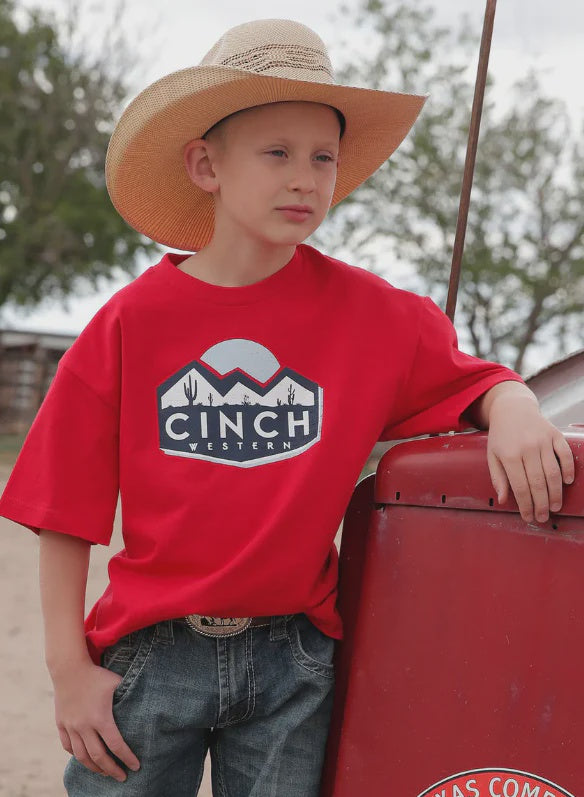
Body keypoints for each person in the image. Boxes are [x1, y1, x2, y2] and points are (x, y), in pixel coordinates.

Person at [0, 18, 574, 797]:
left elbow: (473, 380)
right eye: (277, 153)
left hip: (295, 658)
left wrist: (512, 406)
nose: (305, 178)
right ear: (206, 164)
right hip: (152, 651)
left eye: (323, 157)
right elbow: (62, 511)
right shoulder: (130, 323)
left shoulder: (377, 318)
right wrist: (69, 671)